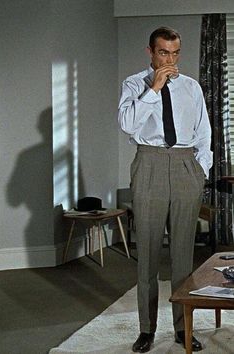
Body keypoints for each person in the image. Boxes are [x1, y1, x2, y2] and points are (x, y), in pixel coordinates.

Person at [118, 26, 213, 353]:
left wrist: (201, 170)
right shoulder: (134, 84)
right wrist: (154, 89)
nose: (170, 60)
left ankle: (182, 329)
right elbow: (128, 125)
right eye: (163, 53)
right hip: (150, 164)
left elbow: (204, 133)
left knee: (183, 255)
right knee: (146, 253)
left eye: (175, 53)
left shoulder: (192, 88)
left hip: (187, 166)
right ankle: (146, 330)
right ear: (150, 52)